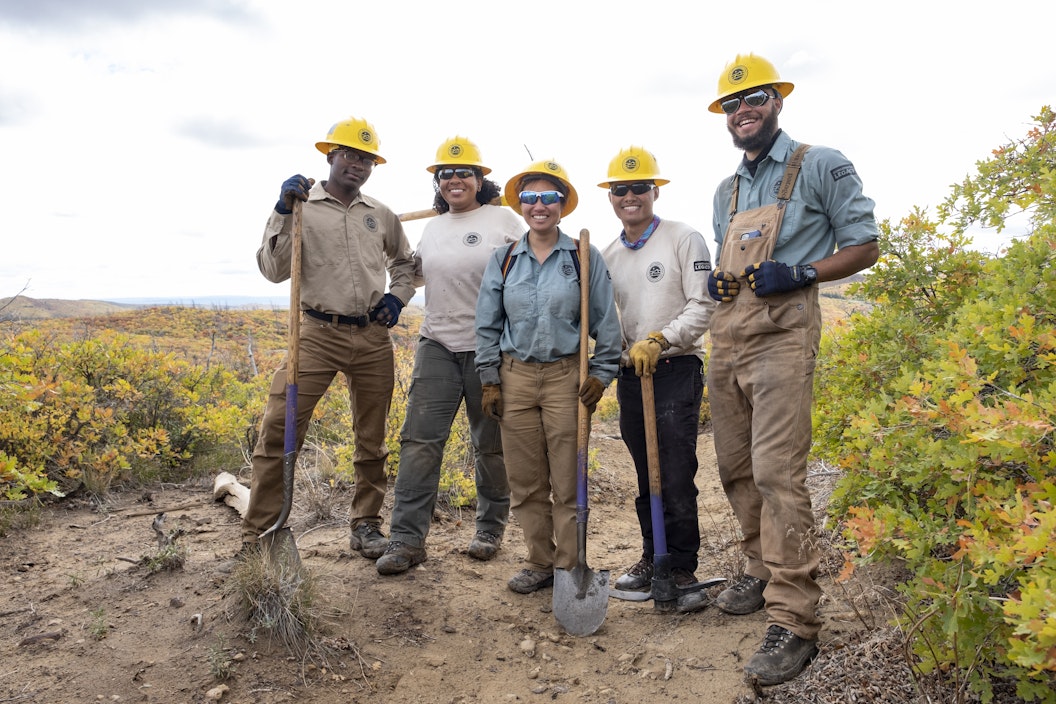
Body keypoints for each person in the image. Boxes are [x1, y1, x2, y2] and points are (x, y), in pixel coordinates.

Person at [699, 54, 880, 685]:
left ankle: (795, 619)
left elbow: (866, 243)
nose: (743, 110)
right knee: (735, 467)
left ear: (778, 101)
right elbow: (732, 258)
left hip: (783, 335)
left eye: (755, 98)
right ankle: (759, 570)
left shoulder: (820, 163)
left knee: (778, 473)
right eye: (732, 103)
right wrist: (725, 283)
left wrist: (803, 271)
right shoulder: (727, 190)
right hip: (729, 337)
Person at [241, 115, 416, 562]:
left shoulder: (380, 215)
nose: (357, 165)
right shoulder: (300, 206)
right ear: (330, 156)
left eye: (366, 158)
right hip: (316, 334)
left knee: (371, 438)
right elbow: (273, 269)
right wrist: (282, 209)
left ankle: (365, 525)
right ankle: (261, 534)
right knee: (280, 429)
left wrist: (396, 299)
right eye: (349, 155)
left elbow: (407, 265)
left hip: (372, 337)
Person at [376, 137, 524, 575]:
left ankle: (490, 528)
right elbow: (412, 272)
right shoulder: (432, 227)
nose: (455, 179)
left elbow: (533, 268)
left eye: (464, 173)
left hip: (491, 348)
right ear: (437, 183)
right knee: (419, 443)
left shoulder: (504, 220)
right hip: (437, 343)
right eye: (446, 174)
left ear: (481, 179)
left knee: (490, 445)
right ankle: (406, 540)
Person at [475, 159, 622, 594]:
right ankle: (540, 561)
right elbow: (486, 323)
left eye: (549, 198)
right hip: (514, 376)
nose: (540, 206)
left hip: (566, 379)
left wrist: (601, 372)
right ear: (520, 204)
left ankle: (569, 567)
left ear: (562, 205)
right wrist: (489, 378)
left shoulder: (582, 255)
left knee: (567, 478)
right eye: (531, 198)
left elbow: (605, 322)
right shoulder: (502, 260)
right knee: (524, 480)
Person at [597, 147, 715, 597]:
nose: (630, 196)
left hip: (675, 368)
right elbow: (607, 323)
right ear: (610, 197)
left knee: (675, 471)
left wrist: (661, 338)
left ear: (654, 191)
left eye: (639, 187)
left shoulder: (684, 238)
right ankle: (653, 557)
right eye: (620, 189)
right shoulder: (607, 255)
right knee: (647, 474)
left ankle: (681, 566)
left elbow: (703, 303)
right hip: (632, 376)